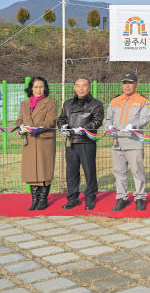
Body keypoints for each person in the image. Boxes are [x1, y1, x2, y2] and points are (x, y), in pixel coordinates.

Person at [104, 72, 150, 211]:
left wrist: (135, 125)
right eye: (125, 83)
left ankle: (139, 197)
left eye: (130, 82)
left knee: (137, 171)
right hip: (117, 141)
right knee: (119, 171)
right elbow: (108, 119)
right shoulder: (115, 101)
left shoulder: (143, 100)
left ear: (136, 84)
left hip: (134, 141)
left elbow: (145, 118)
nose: (127, 85)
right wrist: (109, 127)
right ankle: (121, 197)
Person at [57, 78, 104, 210]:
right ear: (74, 87)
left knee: (89, 171)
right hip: (71, 142)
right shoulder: (67, 104)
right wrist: (63, 126)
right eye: (78, 86)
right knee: (71, 173)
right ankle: (72, 198)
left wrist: (85, 128)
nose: (81, 88)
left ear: (89, 87)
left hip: (87, 142)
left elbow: (98, 121)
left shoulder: (96, 104)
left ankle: (90, 197)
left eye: (84, 86)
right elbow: (61, 119)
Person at [15, 76, 57, 210]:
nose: (39, 90)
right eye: (36, 87)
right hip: (29, 141)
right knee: (31, 171)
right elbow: (19, 119)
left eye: (41, 87)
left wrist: (34, 128)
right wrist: (20, 126)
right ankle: (34, 199)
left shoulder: (50, 103)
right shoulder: (24, 104)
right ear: (31, 88)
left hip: (43, 139)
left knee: (44, 169)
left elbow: (50, 121)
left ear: (45, 88)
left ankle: (43, 199)